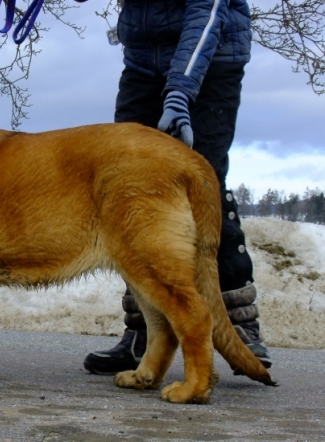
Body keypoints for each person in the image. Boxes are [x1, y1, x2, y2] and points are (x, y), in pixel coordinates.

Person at [83, 0, 272, 375]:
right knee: (129, 195)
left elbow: (209, 11)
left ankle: (238, 321)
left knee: (204, 185)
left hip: (211, 55)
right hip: (143, 61)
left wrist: (180, 93)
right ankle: (144, 332)